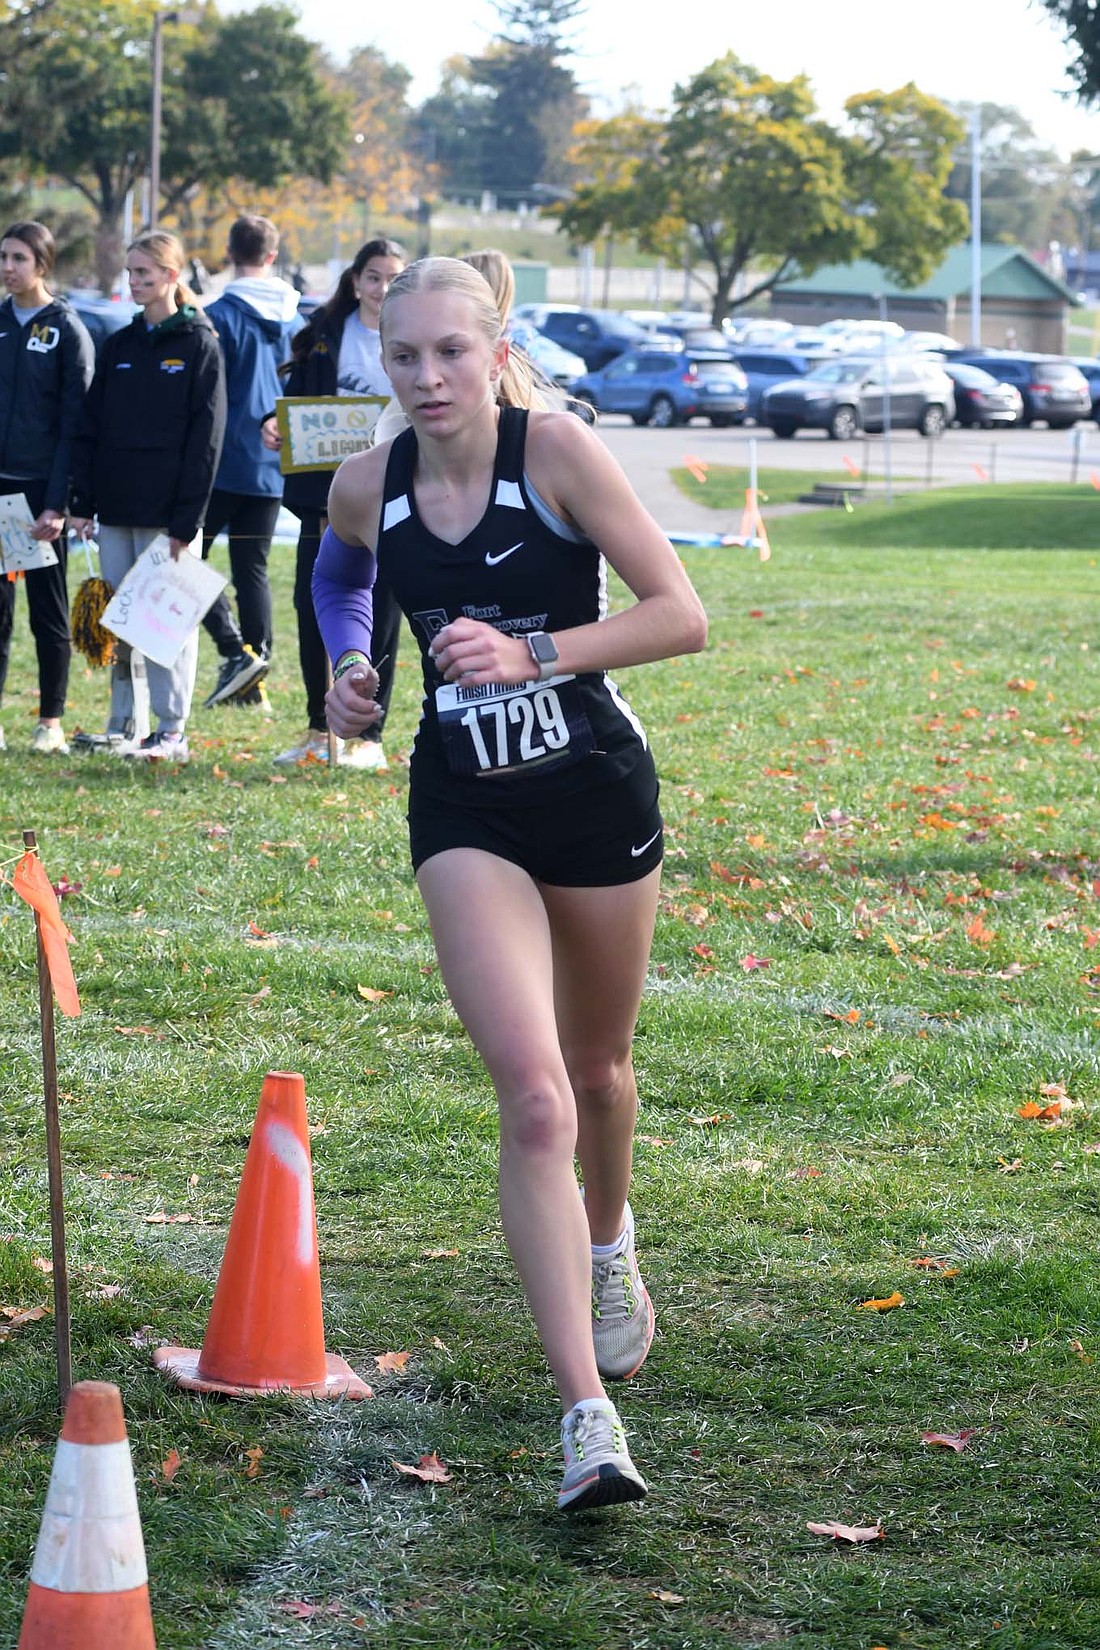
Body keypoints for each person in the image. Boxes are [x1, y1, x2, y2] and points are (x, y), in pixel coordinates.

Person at [312, 257, 707, 1510]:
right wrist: (348, 668)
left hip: (593, 793)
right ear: (379, 356)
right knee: (534, 1099)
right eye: (402, 355)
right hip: (465, 806)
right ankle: (585, 1422)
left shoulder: (558, 456)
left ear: (493, 349)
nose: (424, 377)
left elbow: (679, 613)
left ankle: (610, 1242)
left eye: (447, 352)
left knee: (597, 1076)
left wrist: (534, 649)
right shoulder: (369, 481)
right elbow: (338, 572)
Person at [69, 231, 226, 763]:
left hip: (169, 519)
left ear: (172, 277)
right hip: (116, 509)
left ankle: (171, 730)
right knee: (120, 620)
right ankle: (124, 723)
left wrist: (187, 521)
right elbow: (90, 428)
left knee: (165, 626)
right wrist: (82, 501)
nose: (135, 283)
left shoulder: (200, 343)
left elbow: (206, 441)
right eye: (130, 273)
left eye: (146, 274)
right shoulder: (120, 344)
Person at [260, 237, 405, 769]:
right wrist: (271, 425)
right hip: (325, 495)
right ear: (355, 280)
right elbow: (297, 403)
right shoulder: (325, 333)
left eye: (393, 277)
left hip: (392, 492)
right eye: (373, 276)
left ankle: (370, 734)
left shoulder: (410, 334)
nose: (382, 288)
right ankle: (320, 727)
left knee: (380, 608)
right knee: (311, 602)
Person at [200, 214, 303, 712]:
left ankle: (234, 650)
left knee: (182, 560)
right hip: (272, 462)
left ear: (229, 251)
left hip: (221, 461)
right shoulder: (298, 320)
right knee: (252, 571)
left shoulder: (218, 315)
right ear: (271, 256)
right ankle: (254, 676)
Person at [0, 220, 95, 754]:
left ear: (42, 263)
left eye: (18, 258)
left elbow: (74, 427)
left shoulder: (65, 329)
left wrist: (58, 502)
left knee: (46, 610)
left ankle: (50, 722)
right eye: (3, 257)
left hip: (40, 493)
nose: (8, 268)